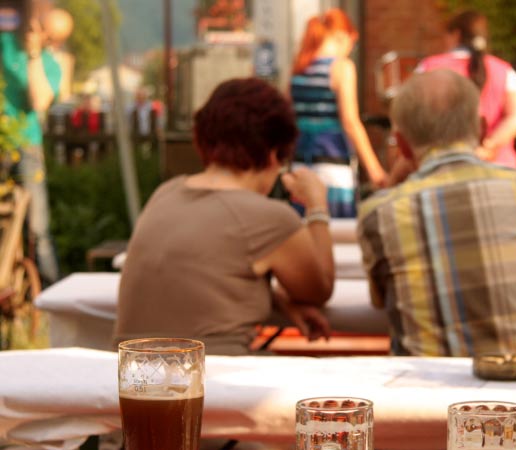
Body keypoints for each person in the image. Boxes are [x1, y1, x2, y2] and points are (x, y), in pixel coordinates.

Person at [357, 69, 516, 450]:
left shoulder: (380, 213)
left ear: (403, 145)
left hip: (432, 447)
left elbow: (381, 302)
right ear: (481, 128)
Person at [114, 77, 334, 356]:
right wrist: (317, 205)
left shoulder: (166, 192)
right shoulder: (269, 217)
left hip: (132, 374)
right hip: (211, 378)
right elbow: (320, 289)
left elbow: (200, 280)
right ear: (273, 152)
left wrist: (281, 303)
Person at [289, 8, 386, 218]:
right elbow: (350, 122)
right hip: (333, 166)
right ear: (342, 36)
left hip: (299, 166)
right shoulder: (341, 68)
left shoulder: (298, 68)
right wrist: (375, 170)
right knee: (338, 237)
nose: (350, 50)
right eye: (352, 43)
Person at [417, 9, 516, 169]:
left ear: (455, 34)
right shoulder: (504, 70)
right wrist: (489, 145)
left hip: (441, 168)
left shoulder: (428, 68)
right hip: (500, 168)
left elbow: (412, 115)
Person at [0, 7, 66, 284]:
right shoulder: (3, 44)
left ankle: (49, 289)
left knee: (38, 227)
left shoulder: (49, 63)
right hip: (3, 140)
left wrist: (34, 55)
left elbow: (39, 101)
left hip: (27, 146)